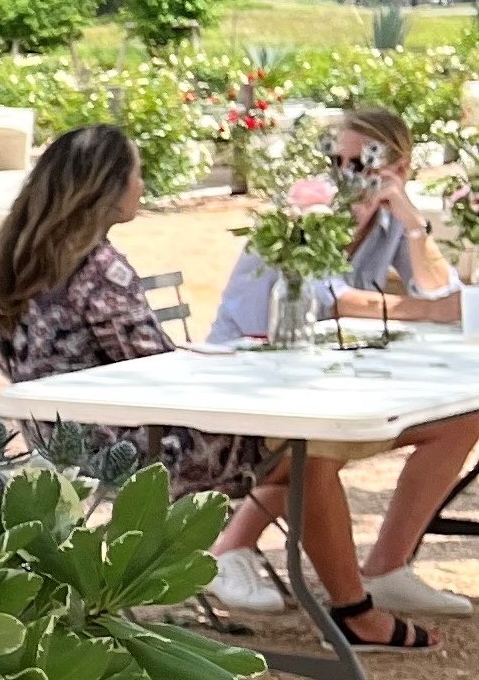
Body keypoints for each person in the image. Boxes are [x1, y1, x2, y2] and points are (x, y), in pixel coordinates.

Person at [0, 122, 435, 650]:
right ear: (106, 188)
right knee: (307, 454)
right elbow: (154, 369)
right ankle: (351, 611)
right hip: (128, 447)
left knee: (299, 456)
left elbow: (13, 357)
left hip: (58, 435)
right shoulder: (99, 269)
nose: (142, 187)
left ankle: (271, 568)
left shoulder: (24, 259)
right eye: (136, 175)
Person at [205, 105, 479, 620]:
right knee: (315, 442)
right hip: (248, 370)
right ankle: (229, 548)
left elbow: (446, 294)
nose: (347, 175)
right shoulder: (306, 208)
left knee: (464, 420)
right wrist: (428, 309)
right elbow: (330, 297)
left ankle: (388, 568)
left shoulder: (390, 220)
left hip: (324, 367)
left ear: (398, 165)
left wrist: (413, 224)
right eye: (340, 161)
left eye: (364, 163)